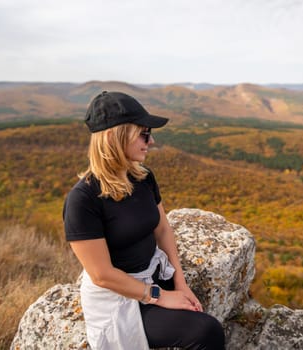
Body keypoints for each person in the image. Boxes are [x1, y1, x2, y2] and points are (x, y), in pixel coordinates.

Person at [63, 91, 225, 350]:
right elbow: (102, 275)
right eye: (144, 133)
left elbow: (162, 230)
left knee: (198, 309)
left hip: (151, 273)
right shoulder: (83, 199)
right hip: (118, 297)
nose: (151, 141)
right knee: (206, 331)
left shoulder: (143, 177)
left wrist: (180, 283)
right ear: (113, 137)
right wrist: (159, 296)